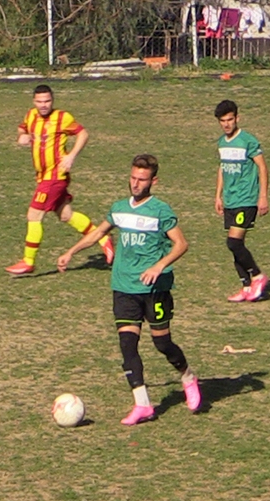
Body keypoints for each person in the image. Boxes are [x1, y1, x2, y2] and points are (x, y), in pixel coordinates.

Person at [58, 154, 200, 425]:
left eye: (142, 179)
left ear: (153, 181)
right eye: (133, 178)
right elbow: (98, 233)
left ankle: (188, 376)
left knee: (162, 343)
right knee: (127, 344)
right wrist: (71, 252)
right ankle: (143, 404)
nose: (135, 184)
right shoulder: (119, 208)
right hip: (124, 286)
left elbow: (181, 244)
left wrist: (159, 266)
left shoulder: (161, 210)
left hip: (154, 289)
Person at [5, 84, 114, 275]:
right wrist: (22, 136)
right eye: (39, 101)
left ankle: (28, 261)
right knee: (66, 215)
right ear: (34, 101)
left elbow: (83, 133)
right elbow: (22, 128)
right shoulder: (30, 115)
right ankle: (104, 239)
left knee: (34, 215)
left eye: (47, 101)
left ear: (52, 100)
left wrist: (71, 155)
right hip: (42, 176)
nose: (43, 105)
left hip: (54, 177)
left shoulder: (63, 118)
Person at [214, 100, 269, 302]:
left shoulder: (248, 141)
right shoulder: (222, 142)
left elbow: (262, 167)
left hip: (246, 199)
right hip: (230, 200)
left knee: (233, 242)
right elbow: (222, 168)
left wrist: (262, 196)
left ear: (237, 118)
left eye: (230, 119)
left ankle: (257, 276)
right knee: (235, 245)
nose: (227, 124)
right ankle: (246, 287)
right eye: (223, 121)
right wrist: (218, 195)